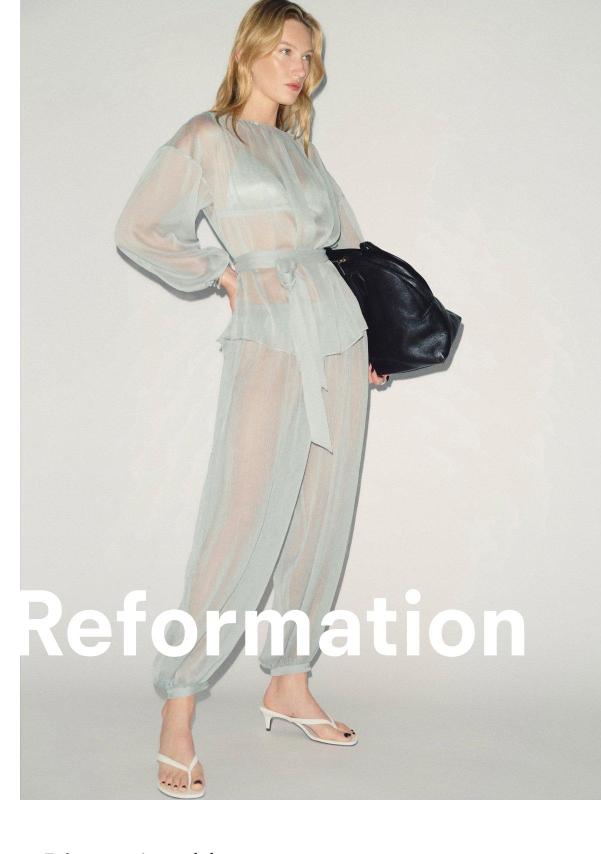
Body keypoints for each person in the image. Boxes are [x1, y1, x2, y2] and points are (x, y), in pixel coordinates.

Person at [114, 0, 390, 799]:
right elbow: (139, 228)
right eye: (287, 50)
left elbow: (348, 247)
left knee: (322, 514)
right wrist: (220, 273)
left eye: (309, 55)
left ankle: (290, 681)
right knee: (239, 516)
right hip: (270, 335)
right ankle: (180, 701)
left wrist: (377, 339)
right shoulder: (207, 137)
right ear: (251, 52)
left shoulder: (302, 151)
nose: (300, 67)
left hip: (339, 334)